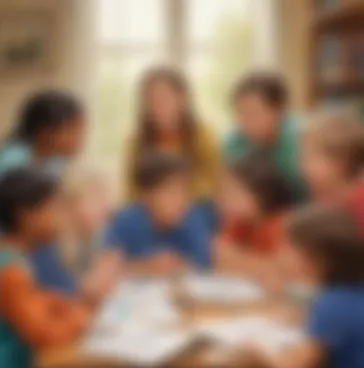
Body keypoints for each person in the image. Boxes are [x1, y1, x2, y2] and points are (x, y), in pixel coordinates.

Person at [0, 168, 90, 368]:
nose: (61, 218)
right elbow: (47, 336)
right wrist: (80, 319)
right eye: (53, 208)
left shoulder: (1, 252)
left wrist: (67, 307)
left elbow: (43, 302)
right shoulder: (10, 270)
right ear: (26, 216)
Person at [255, 205, 364, 368]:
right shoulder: (350, 291)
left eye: (289, 248)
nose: (279, 254)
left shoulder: (333, 303)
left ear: (317, 260)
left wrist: (258, 351)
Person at [0, 90, 86, 245]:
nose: (80, 139)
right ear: (45, 131)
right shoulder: (11, 162)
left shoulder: (53, 162)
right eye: (73, 130)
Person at [104, 153, 211, 276]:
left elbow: (204, 265)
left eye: (185, 192)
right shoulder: (126, 222)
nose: (181, 201)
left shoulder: (192, 219)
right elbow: (107, 267)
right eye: (171, 193)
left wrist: (179, 265)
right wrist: (146, 266)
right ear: (146, 196)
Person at [125, 66, 220, 201]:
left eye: (166, 98)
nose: (159, 105)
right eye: (151, 100)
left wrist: (177, 194)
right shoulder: (136, 140)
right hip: (149, 209)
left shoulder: (202, 134)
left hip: (192, 205)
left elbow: (214, 181)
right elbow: (129, 188)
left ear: (182, 99)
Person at [31, 163, 120, 304]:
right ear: (70, 202)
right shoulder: (48, 241)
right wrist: (89, 288)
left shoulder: (95, 233)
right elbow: (62, 297)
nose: (106, 206)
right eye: (97, 198)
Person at [203, 152, 292, 278]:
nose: (220, 199)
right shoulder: (238, 222)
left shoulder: (282, 226)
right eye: (220, 192)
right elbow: (219, 257)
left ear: (261, 194)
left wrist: (239, 261)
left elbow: (278, 274)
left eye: (231, 192)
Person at [223, 71, 304, 200]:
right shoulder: (234, 143)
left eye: (253, 113)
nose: (243, 121)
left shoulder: (301, 139)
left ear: (280, 111)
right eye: (239, 113)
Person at [301, 110, 364, 233]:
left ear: (340, 162)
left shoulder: (358, 209)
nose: (303, 165)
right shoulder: (320, 196)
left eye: (312, 157)